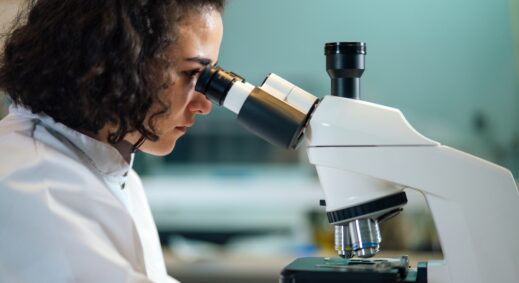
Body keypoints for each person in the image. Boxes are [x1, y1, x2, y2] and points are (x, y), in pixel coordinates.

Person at [0, 0, 225, 282]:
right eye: (191, 73)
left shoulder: (116, 173)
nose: (205, 104)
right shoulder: (37, 185)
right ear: (115, 61)